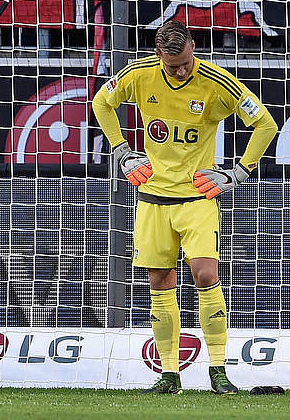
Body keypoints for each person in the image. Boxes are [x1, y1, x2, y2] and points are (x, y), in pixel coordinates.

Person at [91, 21, 278, 396]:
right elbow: (101, 102)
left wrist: (238, 173)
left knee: (205, 275)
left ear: (193, 45)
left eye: (187, 60)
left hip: (197, 200)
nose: (182, 70)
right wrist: (122, 152)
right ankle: (170, 375)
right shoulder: (139, 75)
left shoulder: (216, 80)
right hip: (153, 200)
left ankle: (219, 371)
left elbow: (265, 124)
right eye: (173, 65)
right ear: (158, 55)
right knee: (159, 284)